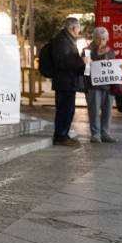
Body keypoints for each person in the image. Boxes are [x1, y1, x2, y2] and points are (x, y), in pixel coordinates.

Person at [48, 17, 85, 146]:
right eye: (78, 28)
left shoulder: (68, 39)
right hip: (64, 82)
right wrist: (81, 62)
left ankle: (64, 134)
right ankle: (60, 136)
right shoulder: (62, 40)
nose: (79, 31)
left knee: (69, 110)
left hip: (69, 81)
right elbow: (62, 62)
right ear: (73, 28)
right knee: (64, 110)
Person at [83, 27, 116, 143]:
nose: (102, 41)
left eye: (104, 39)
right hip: (93, 86)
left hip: (108, 85)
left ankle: (105, 133)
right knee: (94, 111)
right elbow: (86, 70)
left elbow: (113, 66)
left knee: (107, 110)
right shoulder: (87, 50)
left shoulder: (110, 51)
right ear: (94, 38)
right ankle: (95, 134)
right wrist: (97, 55)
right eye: (99, 39)